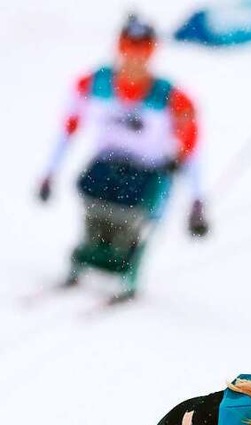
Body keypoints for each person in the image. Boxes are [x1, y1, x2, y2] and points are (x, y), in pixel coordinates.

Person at [37, 14, 209, 303]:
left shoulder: (172, 98)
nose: (134, 59)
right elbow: (68, 128)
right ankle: (88, 254)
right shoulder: (94, 84)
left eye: (142, 51)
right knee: (94, 207)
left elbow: (191, 147)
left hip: (147, 175)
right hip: (105, 168)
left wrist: (197, 200)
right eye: (129, 48)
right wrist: (49, 173)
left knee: (131, 223)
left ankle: (126, 265)